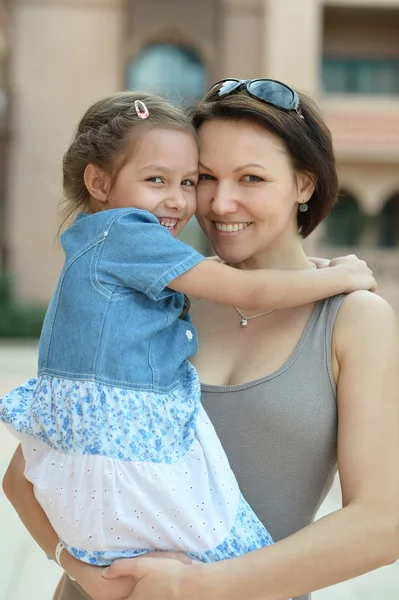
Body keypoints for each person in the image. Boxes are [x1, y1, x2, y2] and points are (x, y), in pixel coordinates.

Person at [3, 79, 398, 600]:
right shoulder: (163, 296)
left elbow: (382, 523)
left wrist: (197, 587)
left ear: (304, 184)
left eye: (251, 177)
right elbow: (27, 472)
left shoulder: (353, 317)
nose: (219, 202)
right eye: (205, 178)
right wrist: (76, 568)